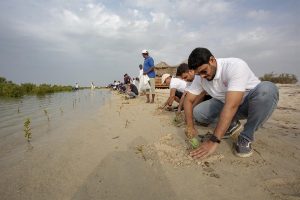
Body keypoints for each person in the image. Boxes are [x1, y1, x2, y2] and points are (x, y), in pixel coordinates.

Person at [184, 47, 279, 158]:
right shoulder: (200, 77)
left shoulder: (235, 65)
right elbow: (188, 100)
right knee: (199, 113)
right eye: (198, 74)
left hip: (248, 104)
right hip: (225, 103)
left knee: (267, 90)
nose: (202, 76)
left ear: (212, 60)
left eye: (204, 71)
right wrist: (190, 126)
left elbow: (232, 105)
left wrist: (213, 141)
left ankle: (246, 137)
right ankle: (231, 125)